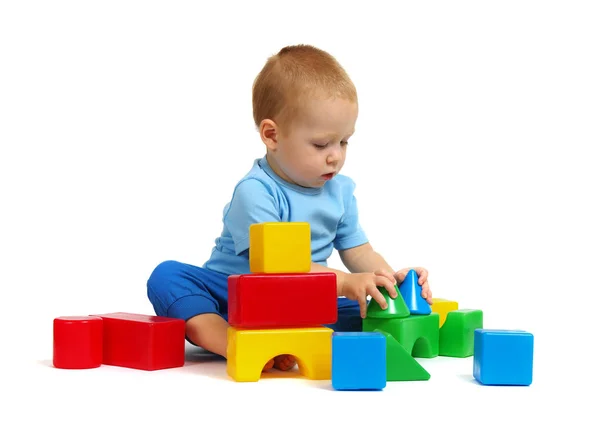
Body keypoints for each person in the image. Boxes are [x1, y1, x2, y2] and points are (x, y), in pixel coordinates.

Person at [147, 44, 433, 372]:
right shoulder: (256, 192)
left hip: (302, 302)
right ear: (272, 135)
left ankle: (287, 341)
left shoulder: (340, 190)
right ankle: (229, 340)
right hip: (232, 296)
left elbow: (360, 251)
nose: (335, 156)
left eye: (344, 142)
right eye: (321, 144)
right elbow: (276, 271)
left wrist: (386, 282)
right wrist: (344, 282)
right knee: (167, 276)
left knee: (364, 308)